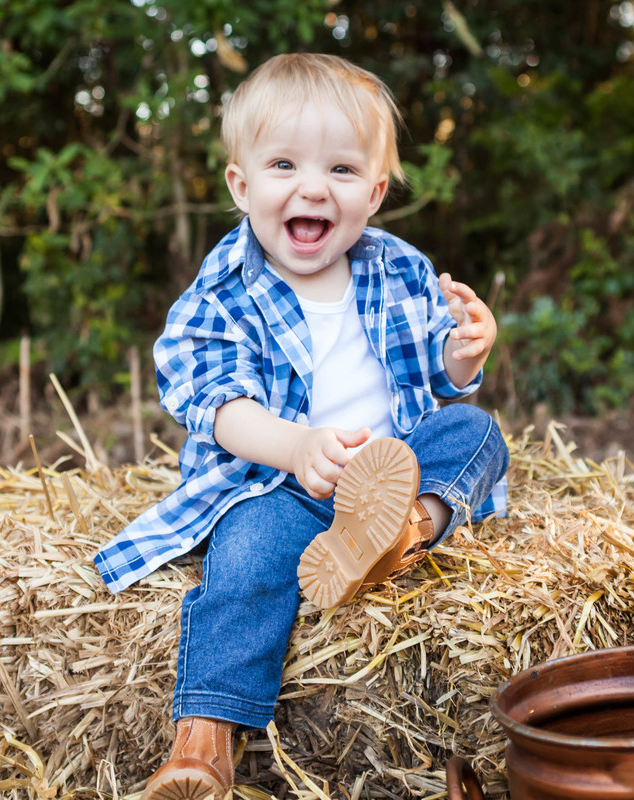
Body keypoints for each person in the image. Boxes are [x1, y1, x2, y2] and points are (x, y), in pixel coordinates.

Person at [93, 53, 509, 800]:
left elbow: (432, 373)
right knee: (243, 562)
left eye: (342, 172)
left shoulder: (401, 269)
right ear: (241, 185)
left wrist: (461, 350)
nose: (313, 187)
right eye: (284, 164)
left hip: (392, 474)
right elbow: (215, 405)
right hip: (281, 484)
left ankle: (400, 532)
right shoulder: (223, 290)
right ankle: (204, 745)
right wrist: (297, 447)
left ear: (375, 193)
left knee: (475, 431)